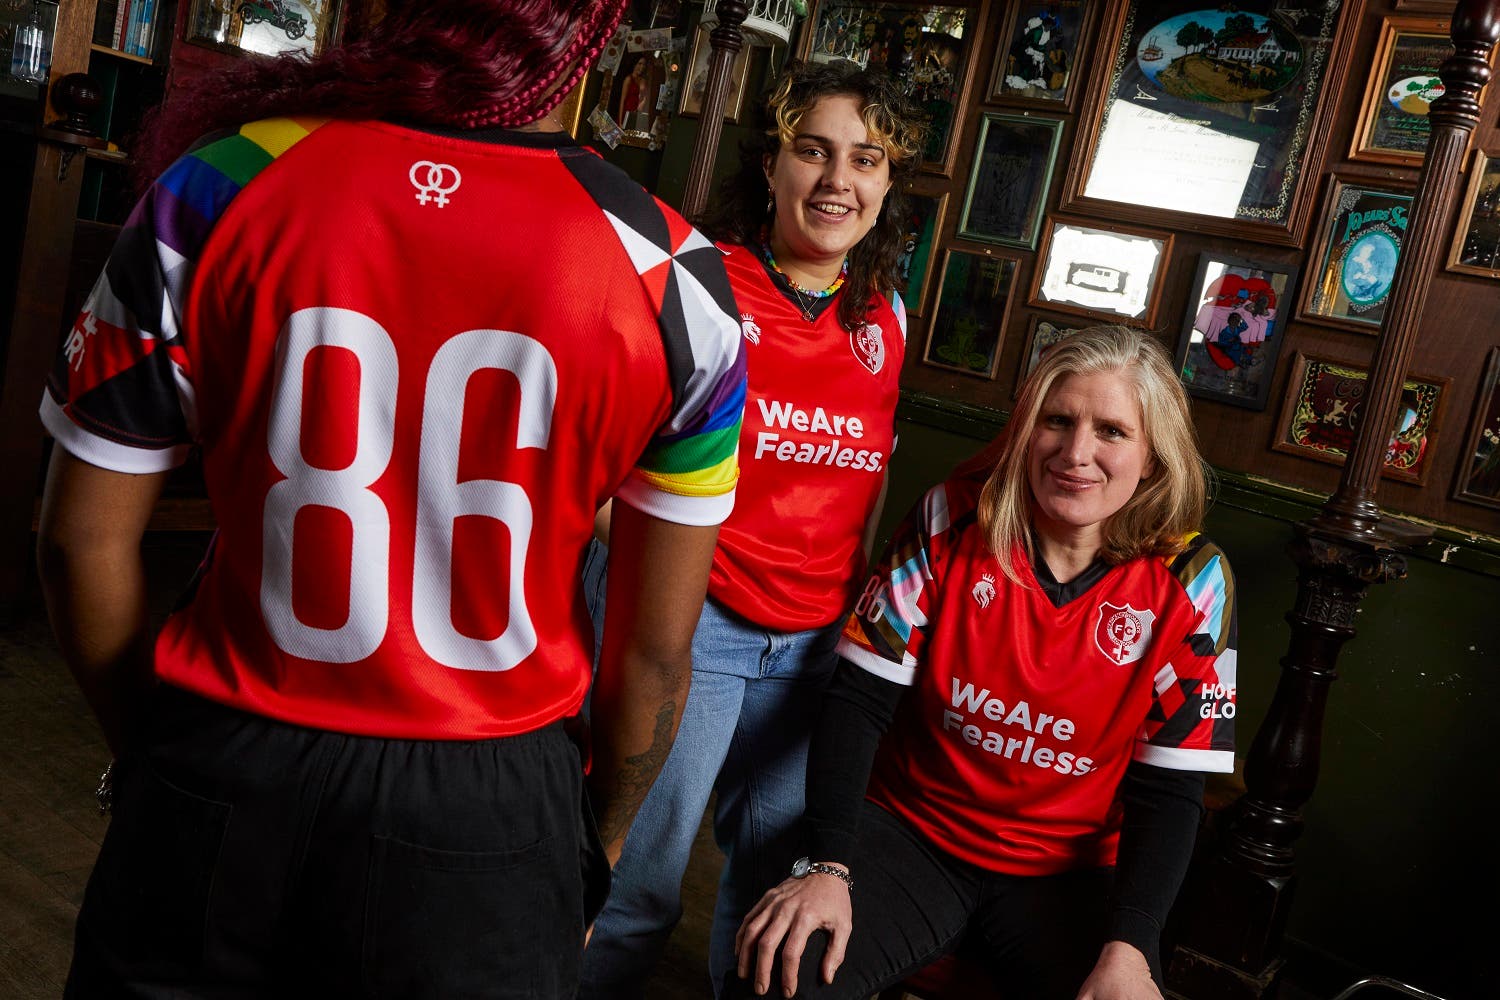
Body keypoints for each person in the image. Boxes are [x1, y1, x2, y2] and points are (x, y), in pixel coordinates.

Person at [35, 0, 748, 996]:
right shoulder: (677, 274)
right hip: (491, 799)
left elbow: (77, 542)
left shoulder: (220, 183)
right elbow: (655, 651)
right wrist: (599, 846)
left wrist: (158, 761)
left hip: (230, 750)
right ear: (592, 34)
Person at [730, 326, 1239, 1000]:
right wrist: (827, 863)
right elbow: (857, 703)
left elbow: (1171, 793)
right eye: (1057, 421)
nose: (1076, 452)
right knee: (781, 974)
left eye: (1111, 431)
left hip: (1065, 871)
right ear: (1026, 430)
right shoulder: (950, 518)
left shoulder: (1196, 582)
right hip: (913, 834)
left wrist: (1131, 948)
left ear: (1152, 457)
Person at [579, 61, 925, 999]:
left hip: (817, 646)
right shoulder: (704, 284)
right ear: (771, 163)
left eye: (866, 159)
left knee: (775, 901)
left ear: (889, 184)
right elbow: (593, 458)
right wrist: (648, 577)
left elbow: (872, 471)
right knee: (634, 891)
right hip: (693, 628)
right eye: (813, 150)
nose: (837, 180)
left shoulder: (886, 313)